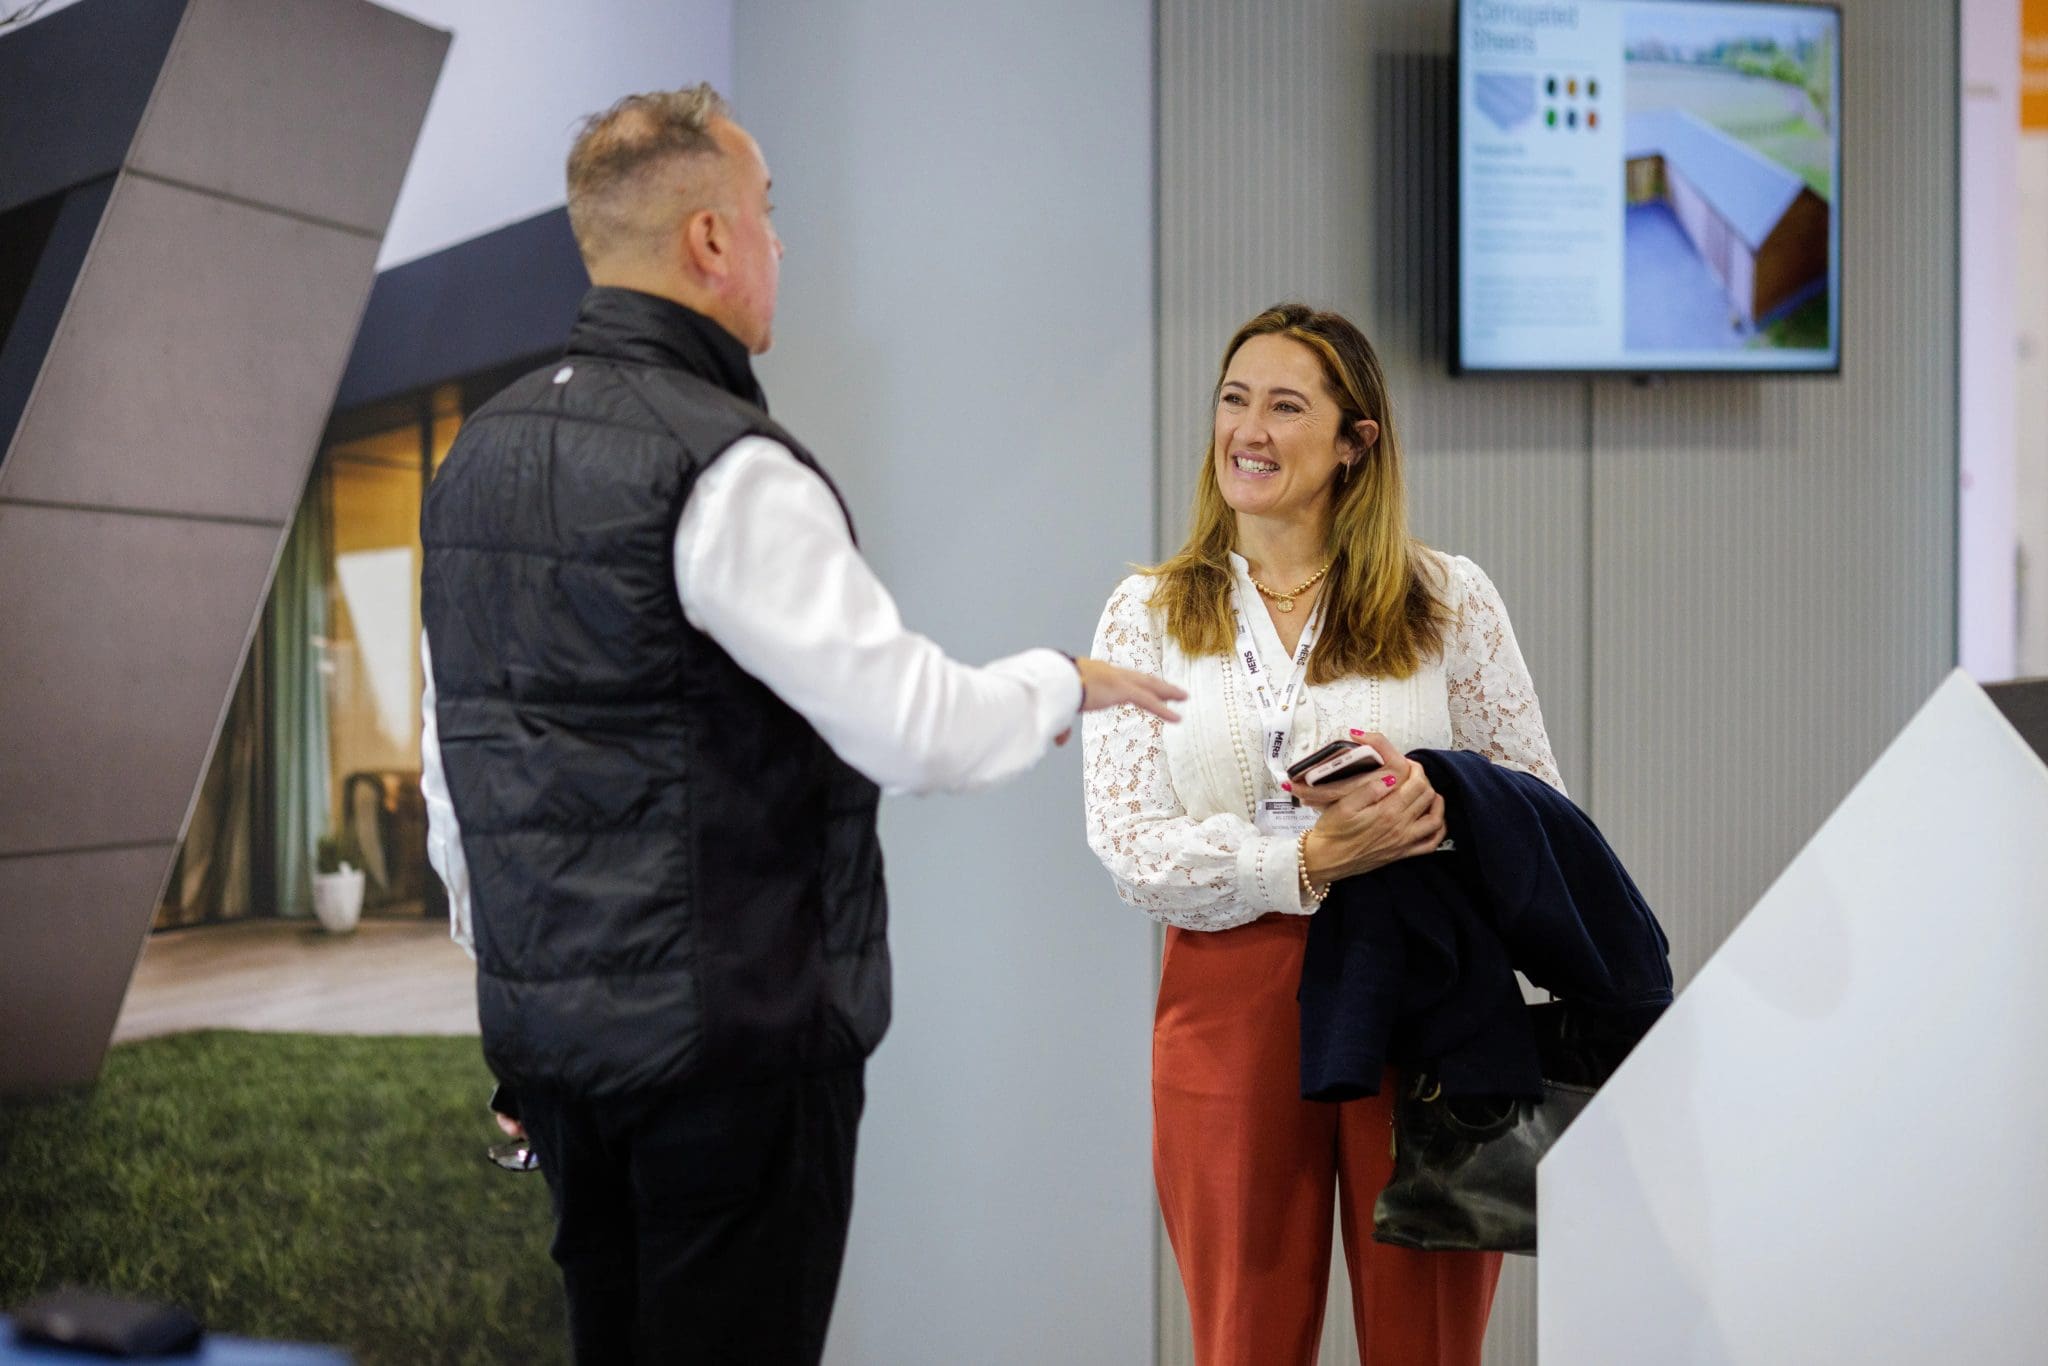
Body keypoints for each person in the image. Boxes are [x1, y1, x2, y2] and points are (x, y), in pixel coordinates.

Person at [417, 84, 1183, 1366]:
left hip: (560, 1060)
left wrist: (530, 1000)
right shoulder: (724, 467)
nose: (781, 244)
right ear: (710, 240)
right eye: (768, 213)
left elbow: (455, 773)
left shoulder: (472, 458)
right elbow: (915, 728)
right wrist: (1059, 680)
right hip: (730, 1065)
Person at [1081, 302, 1565, 1365]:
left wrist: (1439, 802)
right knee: (1243, 1341)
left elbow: (1538, 804)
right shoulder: (1147, 612)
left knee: (1429, 1342)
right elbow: (1127, 841)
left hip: (1425, 988)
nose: (1248, 430)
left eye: (1286, 405)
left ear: (1356, 441)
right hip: (1229, 997)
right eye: (1233, 399)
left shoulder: (1446, 597)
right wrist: (1298, 862)